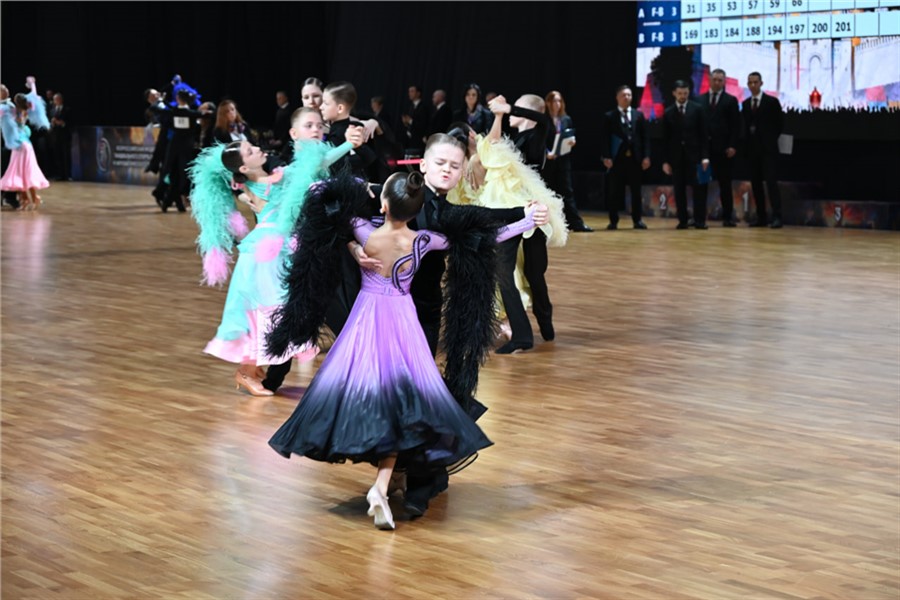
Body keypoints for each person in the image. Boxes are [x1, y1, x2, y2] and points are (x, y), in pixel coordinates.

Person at [266, 169, 541, 530]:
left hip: (367, 321)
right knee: (402, 405)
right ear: (417, 210)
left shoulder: (364, 230)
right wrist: (526, 221)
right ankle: (382, 486)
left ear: (383, 203)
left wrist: (359, 209)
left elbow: (319, 192)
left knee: (368, 398)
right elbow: (484, 237)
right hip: (403, 322)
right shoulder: (423, 240)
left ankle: (383, 486)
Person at [189, 125, 363, 396]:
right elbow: (311, 166)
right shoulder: (260, 184)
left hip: (278, 251)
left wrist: (348, 145)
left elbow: (316, 163)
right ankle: (247, 372)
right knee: (270, 311)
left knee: (270, 312)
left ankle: (253, 369)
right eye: (250, 151)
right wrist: (347, 145)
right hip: (264, 257)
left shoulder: (272, 177)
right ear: (244, 168)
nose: (258, 148)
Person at [487, 94, 560, 352]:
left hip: (535, 212)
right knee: (503, 268)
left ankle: (544, 318)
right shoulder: (515, 138)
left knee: (534, 272)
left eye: (517, 109)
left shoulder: (539, 133)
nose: (512, 114)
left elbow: (544, 118)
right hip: (512, 210)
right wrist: (498, 115)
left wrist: (508, 107)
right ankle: (522, 335)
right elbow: (493, 145)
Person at [601, 85, 650, 230]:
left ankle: (637, 220)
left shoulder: (638, 115)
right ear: (617, 97)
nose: (626, 98)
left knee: (636, 191)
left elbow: (645, 138)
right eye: (623, 95)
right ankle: (613, 220)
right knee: (614, 191)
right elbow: (604, 139)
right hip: (617, 159)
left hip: (635, 159)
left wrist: (646, 156)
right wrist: (606, 157)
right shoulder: (610, 116)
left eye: (629, 95)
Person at [662, 80, 710, 229]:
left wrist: (705, 156)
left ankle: (700, 221)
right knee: (679, 190)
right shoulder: (668, 112)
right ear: (674, 93)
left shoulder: (697, 109)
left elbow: (704, 135)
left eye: (685, 93)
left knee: (699, 190)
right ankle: (682, 220)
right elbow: (665, 139)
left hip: (696, 157)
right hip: (677, 158)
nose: (682, 96)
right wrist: (665, 161)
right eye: (680, 93)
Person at [543, 90, 592, 232]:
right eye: (554, 101)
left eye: (559, 101)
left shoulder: (565, 119)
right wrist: (546, 153)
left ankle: (575, 223)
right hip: (548, 162)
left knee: (567, 192)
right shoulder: (543, 120)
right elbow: (540, 140)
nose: (557, 104)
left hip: (563, 161)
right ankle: (550, 224)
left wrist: (571, 141)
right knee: (549, 192)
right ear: (548, 103)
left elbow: (569, 136)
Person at [0, 77, 51, 210]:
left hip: (19, 145)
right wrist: (32, 84)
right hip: (26, 144)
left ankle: (28, 198)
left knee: (19, 173)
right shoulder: (25, 110)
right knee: (25, 173)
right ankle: (30, 198)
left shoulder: (10, 110)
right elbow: (34, 96)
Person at [742, 71, 784, 229]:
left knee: (771, 183)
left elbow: (779, 124)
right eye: (750, 83)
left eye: (755, 82)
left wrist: (769, 140)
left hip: (768, 151)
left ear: (761, 83)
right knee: (756, 185)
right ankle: (761, 217)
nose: (753, 85)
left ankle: (777, 216)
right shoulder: (746, 104)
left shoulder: (771, 102)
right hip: (752, 151)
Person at [700, 69, 740, 227]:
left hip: (723, 150)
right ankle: (699, 218)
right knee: (701, 185)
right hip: (704, 150)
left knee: (725, 184)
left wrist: (732, 145)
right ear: (709, 80)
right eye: (714, 79)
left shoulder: (730, 100)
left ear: (724, 82)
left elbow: (735, 126)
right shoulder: (699, 99)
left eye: (720, 80)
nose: (717, 82)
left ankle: (728, 217)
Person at [49, 92, 72, 181]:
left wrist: (61, 123)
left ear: (61, 100)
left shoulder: (67, 109)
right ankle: (59, 174)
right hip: (55, 136)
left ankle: (68, 175)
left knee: (66, 155)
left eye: (57, 99)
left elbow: (70, 123)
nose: (56, 101)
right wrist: (52, 123)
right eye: (55, 100)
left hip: (65, 136)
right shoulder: (52, 110)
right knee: (57, 155)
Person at [401, 84, 429, 156]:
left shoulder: (423, 107)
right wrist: (406, 123)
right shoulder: (410, 106)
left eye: (412, 91)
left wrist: (410, 121)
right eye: (409, 91)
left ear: (418, 93)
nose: (410, 93)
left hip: (418, 140)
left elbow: (423, 124)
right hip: (409, 140)